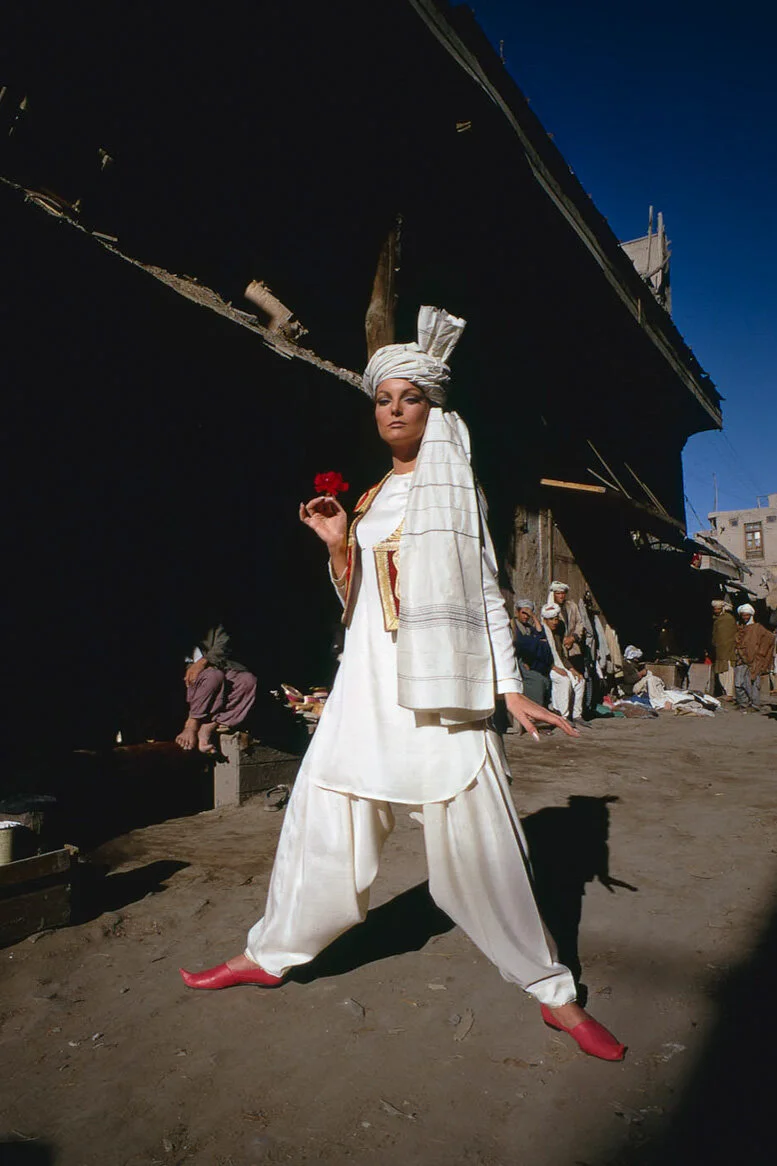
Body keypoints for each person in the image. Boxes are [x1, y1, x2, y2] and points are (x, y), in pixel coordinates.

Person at [179, 306, 624, 1061]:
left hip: (438, 682)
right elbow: (360, 601)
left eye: (407, 397)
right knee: (322, 819)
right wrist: (336, 546)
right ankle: (272, 952)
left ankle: (552, 991)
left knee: (482, 839)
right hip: (366, 681)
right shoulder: (372, 497)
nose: (392, 409)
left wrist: (508, 687)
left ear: (432, 406)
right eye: (382, 398)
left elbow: (485, 589)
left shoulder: (454, 488)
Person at [175, 625, 257, 754]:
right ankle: (191, 725)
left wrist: (204, 662)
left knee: (247, 680)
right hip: (193, 674)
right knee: (213, 676)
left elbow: (223, 644)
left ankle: (211, 726)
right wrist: (195, 666)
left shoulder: (214, 623)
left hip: (218, 665)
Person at [541, 603, 585, 722]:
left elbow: (561, 655)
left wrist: (572, 669)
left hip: (559, 665)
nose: (555, 622)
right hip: (547, 667)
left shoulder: (556, 634)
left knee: (580, 680)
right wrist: (554, 668)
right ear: (545, 620)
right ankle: (563, 717)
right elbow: (540, 656)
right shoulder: (541, 632)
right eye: (551, 619)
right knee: (564, 680)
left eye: (556, 619)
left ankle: (576, 715)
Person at [734, 604, 775, 712]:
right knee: (738, 683)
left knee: (752, 683)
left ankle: (755, 705)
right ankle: (743, 703)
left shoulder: (758, 628)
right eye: (743, 615)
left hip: (754, 660)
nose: (745, 617)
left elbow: (770, 638)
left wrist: (760, 653)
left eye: (747, 615)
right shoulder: (740, 627)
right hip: (741, 659)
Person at [512, 598, 552, 707]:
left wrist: (534, 617)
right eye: (523, 613)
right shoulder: (513, 626)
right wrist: (536, 641)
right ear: (517, 612)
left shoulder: (529, 628)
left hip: (529, 661)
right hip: (517, 660)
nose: (526, 616)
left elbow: (541, 634)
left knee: (545, 680)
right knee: (536, 681)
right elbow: (520, 643)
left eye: (528, 614)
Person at [547, 581, 584, 670]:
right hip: (559, 648)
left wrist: (573, 638)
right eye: (558, 593)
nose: (561, 596)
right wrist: (563, 640)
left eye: (563, 593)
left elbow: (580, 623)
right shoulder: (550, 609)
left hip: (574, 648)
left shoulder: (572, 606)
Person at [710, 599, 737, 700]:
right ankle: (725, 692)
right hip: (720, 651)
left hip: (728, 651)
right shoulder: (717, 619)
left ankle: (729, 693)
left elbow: (728, 636)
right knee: (722, 673)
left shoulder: (728, 619)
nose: (716, 611)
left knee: (728, 672)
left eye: (718, 609)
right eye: (715, 609)